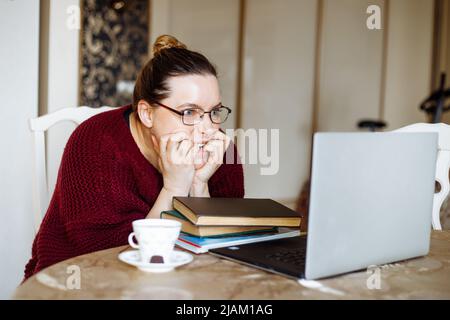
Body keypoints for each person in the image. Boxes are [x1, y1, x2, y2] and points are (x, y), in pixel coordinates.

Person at [24, 35, 244, 280]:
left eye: (214, 112)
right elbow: (106, 262)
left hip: (181, 284)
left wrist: (199, 185)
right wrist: (174, 187)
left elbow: (223, 256)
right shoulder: (95, 143)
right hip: (77, 281)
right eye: (189, 112)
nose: (207, 129)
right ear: (147, 114)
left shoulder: (221, 149)